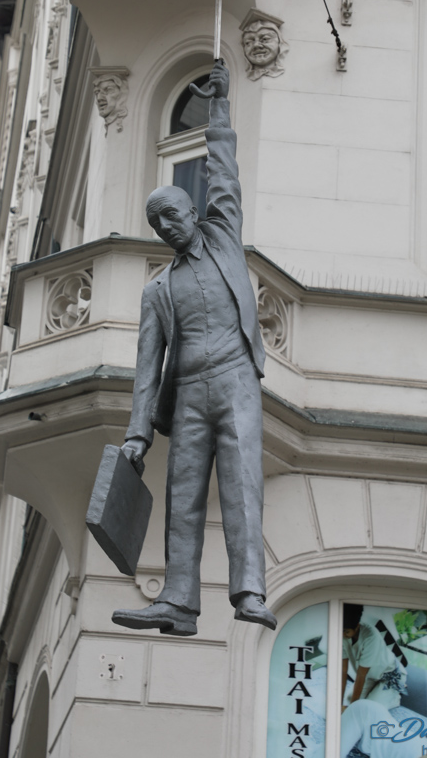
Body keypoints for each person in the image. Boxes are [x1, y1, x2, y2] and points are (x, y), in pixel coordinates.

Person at [112, 59, 276, 637]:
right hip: (187, 397)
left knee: (242, 484)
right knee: (181, 495)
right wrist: (137, 434)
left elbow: (224, 170)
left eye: (173, 215)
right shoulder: (157, 290)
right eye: (158, 224)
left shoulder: (223, 235)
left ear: (192, 209)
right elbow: (146, 369)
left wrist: (219, 107)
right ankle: (178, 602)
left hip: (235, 379)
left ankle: (249, 591)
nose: (168, 227)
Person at [342, 605, 406, 710]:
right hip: (370, 676)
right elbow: (343, 671)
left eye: (346, 631)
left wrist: (352, 709)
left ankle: (395, 694)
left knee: (370, 708)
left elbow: (361, 675)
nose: (342, 634)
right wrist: (338, 703)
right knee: (348, 699)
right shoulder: (342, 636)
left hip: (389, 674)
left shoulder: (371, 636)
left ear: (357, 626)